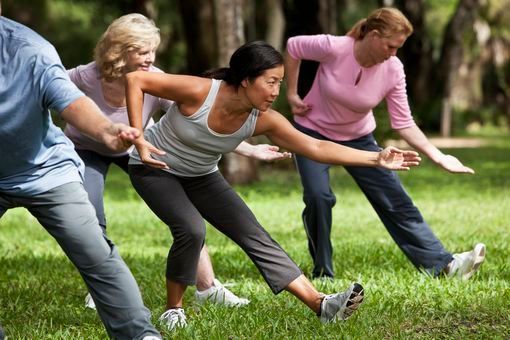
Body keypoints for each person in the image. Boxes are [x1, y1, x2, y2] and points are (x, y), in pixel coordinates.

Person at [124, 40, 421, 330]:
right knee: (191, 228)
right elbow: (136, 79)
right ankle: (173, 310)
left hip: (201, 175)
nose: (276, 92)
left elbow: (315, 147)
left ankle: (321, 305)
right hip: (154, 168)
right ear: (245, 80)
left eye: (280, 83)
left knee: (254, 234)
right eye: (270, 82)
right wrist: (139, 136)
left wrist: (376, 158)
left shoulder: (263, 120)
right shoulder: (201, 91)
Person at [65, 13, 289, 310]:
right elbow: (47, 91)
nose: (150, 57)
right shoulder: (84, 76)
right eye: (142, 50)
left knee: (187, 220)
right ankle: (103, 285)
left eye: (153, 50)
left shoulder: (157, 79)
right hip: (86, 148)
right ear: (118, 50)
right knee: (91, 216)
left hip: (140, 148)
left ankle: (207, 287)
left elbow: (198, 126)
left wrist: (249, 149)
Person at [284, 7, 486, 280]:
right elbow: (293, 47)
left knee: (396, 200)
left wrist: (438, 156)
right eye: (391, 46)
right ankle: (323, 273)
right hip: (311, 133)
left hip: (359, 139)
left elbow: (403, 122)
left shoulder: (393, 69)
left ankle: (443, 266)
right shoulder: (335, 47)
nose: (394, 53)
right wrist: (293, 94)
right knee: (319, 198)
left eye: (398, 48)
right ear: (375, 36)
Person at [0, 7, 161, 340]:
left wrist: (106, 130)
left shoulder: (30, 51)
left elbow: (70, 101)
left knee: (96, 254)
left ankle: (140, 335)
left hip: (45, 172)